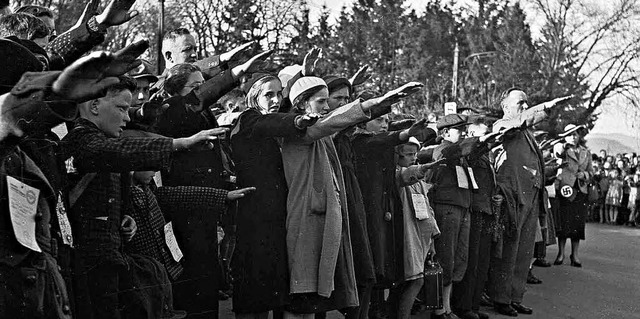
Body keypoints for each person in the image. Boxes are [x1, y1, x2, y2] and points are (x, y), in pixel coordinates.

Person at [280, 76, 423, 318]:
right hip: (307, 217)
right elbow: (332, 122)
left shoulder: (321, 133)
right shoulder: (301, 130)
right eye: (322, 101)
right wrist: (378, 102)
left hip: (325, 216)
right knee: (303, 294)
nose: (327, 107)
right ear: (302, 104)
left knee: (316, 294)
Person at [228, 73, 320, 319]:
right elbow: (270, 123)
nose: (276, 99)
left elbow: (277, 118)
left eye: (279, 94)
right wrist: (299, 122)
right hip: (254, 218)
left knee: (270, 292)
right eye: (269, 94)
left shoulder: (266, 118)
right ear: (253, 96)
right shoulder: (248, 118)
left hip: (273, 216)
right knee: (254, 295)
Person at [489, 88, 570, 316]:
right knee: (509, 250)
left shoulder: (526, 133)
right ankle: (501, 298)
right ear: (505, 106)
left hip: (530, 196)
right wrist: (544, 107)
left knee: (524, 251)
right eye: (520, 103)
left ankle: (515, 296)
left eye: (527, 103)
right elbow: (519, 123)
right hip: (512, 196)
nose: (525, 106)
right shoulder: (502, 126)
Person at [393, 137, 441, 319]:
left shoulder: (419, 182)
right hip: (407, 236)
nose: (413, 158)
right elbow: (405, 176)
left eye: (415, 154)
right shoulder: (398, 175)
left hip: (421, 237)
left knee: (414, 280)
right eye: (408, 154)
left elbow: (427, 209)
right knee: (415, 280)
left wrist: (432, 241)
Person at [553, 124, 593, 267]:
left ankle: (575, 255)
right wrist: (565, 145)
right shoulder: (561, 148)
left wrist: (585, 174)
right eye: (570, 134)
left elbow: (591, 172)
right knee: (563, 223)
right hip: (565, 189)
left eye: (576, 134)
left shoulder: (585, 152)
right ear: (565, 136)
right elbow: (557, 155)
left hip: (580, 190)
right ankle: (560, 254)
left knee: (577, 224)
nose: (574, 136)